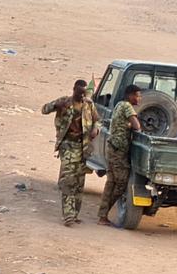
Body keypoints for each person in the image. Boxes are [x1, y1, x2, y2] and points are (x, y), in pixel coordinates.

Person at [42, 79, 100, 227]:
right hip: (68, 146)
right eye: (80, 93)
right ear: (74, 89)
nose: (82, 96)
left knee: (79, 183)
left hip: (83, 148)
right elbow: (44, 109)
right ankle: (68, 215)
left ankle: (74, 214)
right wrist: (56, 105)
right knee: (68, 180)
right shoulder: (64, 102)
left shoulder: (89, 104)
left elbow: (98, 120)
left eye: (84, 93)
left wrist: (95, 129)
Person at [97, 85, 142, 226]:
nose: (139, 98)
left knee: (111, 183)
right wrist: (138, 128)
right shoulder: (127, 106)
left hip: (113, 148)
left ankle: (102, 215)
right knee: (121, 183)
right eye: (137, 95)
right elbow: (136, 126)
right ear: (130, 95)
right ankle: (103, 214)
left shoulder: (119, 105)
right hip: (118, 151)